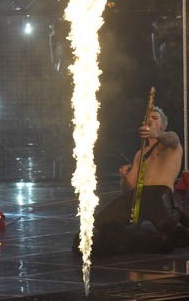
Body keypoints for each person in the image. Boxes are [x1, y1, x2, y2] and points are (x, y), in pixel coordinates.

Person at [78, 106, 189, 255]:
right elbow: (127, 189)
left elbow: (172, 139)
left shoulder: (171, 143)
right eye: (147, 118)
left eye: (154, 118)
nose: (149, 120)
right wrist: (124, 177)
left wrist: (156, 134)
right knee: (102, 221)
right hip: (138, 195)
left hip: (159, 194)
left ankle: (176, 210)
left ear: (163, 125)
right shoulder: (140, 154)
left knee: (165, 225)